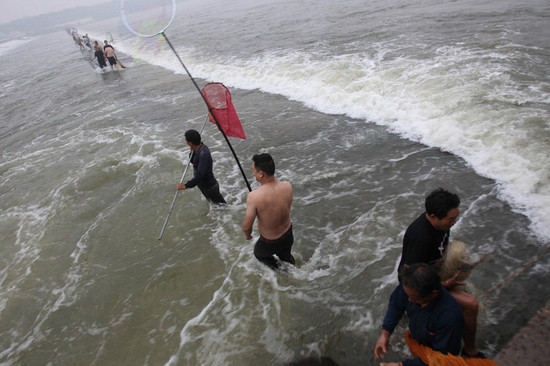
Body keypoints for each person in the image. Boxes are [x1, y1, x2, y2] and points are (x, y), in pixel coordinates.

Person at [398, 188, 483, 358]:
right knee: (470, 304)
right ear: (432, 216)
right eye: (451, 219)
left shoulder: (441, 224)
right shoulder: (420, 236)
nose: (454, 222)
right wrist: (442, 286)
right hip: (418, 284)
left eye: (456, 217)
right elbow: (410, 277)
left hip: (432, 274)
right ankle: (470, 351)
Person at [374, 263, 465, 366]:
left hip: (440, 354)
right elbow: (396, 303)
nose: (409, 299)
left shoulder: (450, 317)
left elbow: (441, 358)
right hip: (418, 341)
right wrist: (385, 334)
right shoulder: (410, 286)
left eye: (413, 298)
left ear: (433, 293)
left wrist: (401, 365)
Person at [242, 153, 295, 269]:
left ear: (261, 173)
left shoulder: (254, 196)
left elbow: (246, 226)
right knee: (286, 257)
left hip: (270, 242)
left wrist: (248, 235)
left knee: (259, 254)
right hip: (288, 234)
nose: (254, 175)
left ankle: (280, 273)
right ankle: (292, 269)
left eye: (254, 171)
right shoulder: (287, 186)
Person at [176, 130, 226, 204]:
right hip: (204, 186)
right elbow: (194, 162)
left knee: (222, 207)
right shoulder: (197, 149)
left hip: (210, 187)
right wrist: (191, 152)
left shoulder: (203, 154)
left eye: (186, 140)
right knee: (214, 207)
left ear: (190, 142)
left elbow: (200, 175)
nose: (186, 142)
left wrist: (186, 186)